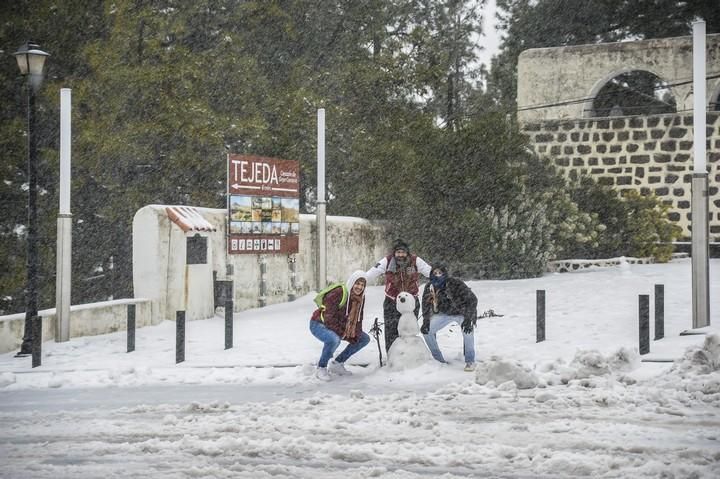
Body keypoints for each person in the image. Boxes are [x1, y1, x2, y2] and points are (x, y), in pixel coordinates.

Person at [366, 239, 432, 354]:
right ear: (394, 253)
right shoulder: (386, 261)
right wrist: (360, 280)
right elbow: (371, 273)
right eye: (398, 252)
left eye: (403, 252)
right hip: (392, 302)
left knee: (409, 331)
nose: (400, 255)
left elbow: (430, 272)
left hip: (411, 303)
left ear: (407, 252)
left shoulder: (415, 261)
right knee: (391, 330)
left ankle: (409, 355)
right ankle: (392, 356)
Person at [310, 270, 371, 381]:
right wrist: (343, 333)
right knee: (334, 339)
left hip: (340, 327)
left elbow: (358, 319)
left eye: (362, 285)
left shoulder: (360, 298)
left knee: (363, 339)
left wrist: (355, 334)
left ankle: (337, 364)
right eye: (357, 283)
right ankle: (321, 367)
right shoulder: (339, 292)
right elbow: (329, 318)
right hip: (319, 324)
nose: (359, 287)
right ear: (352, 282)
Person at [420, 263, 478, 371]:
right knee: (426, 331)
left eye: (440, 273)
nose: (437, 275)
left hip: (462, 313)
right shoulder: (429, 286)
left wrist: (468, 318)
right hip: (444, 314)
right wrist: (426, 320)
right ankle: (438, 360)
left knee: (468, 332)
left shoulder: (455, 283)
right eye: (435, 273)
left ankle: (470, 361)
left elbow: (473, 299)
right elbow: (425, 304)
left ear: (445, 273)